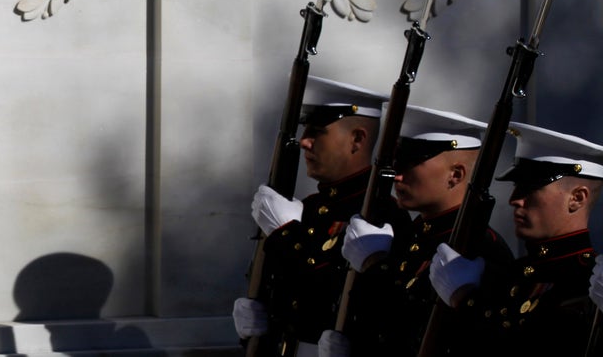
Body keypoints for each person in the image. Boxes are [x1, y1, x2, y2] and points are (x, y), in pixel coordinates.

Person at [318, 104, 513, 357]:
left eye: (410, 164)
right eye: (397, 163)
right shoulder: (407, 236)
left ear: (455, 174)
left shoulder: (482, 250)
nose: (397, 176)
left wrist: (375, 266)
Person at [234, 76, 403, 357]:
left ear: (357, 139)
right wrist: (258, 320)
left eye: (316, 132)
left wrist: (287, 234)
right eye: (304, 132)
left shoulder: (382, 217)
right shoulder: (308, 209)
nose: (304, 143)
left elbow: (338, 296)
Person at [428, 122, 603, 356]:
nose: (514, 199)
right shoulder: (513, 274)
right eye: (516, 186)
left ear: (577, 199)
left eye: (529, 189)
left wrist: (465, 299)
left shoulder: (585, 285)